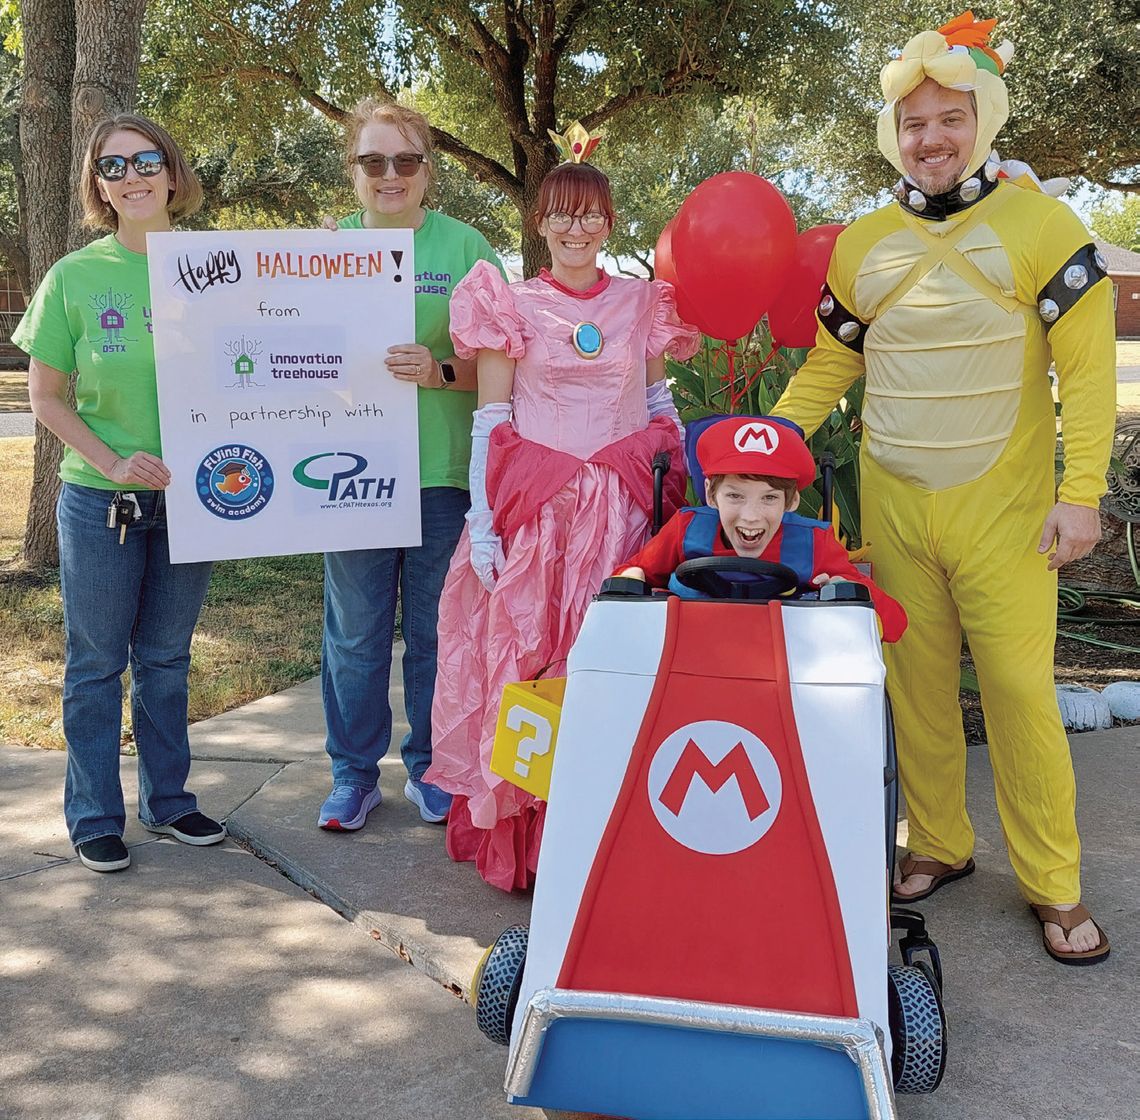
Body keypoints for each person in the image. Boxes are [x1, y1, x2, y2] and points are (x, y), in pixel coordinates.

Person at [772, 12, 1115, 963]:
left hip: (1006, 514)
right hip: (895, 503)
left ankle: (1052, 882)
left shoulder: (1046, 224)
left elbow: (1086, 374)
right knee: (915, 689)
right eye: (914, 122)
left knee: (1016, 694)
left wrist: (1079, 490)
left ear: (983, 119)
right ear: (894, 134)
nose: (931, 137)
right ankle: (939, 843)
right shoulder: (862, 245)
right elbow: (826, 369)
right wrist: (760, 444)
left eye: (949, 118)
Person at [426, 131, 701, 891]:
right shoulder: (508, 302)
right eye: (562, 215)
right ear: (540, 223)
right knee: (527, 665)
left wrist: (686, 492)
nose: (576, 230)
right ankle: (531, 835)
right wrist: (483, 522)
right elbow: (490, 417)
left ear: (610, 225)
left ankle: (603, 826)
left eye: (591, 216)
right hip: (537, 515)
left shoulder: (644, 302)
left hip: (618, 512)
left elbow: (656, 403)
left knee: (605, 664)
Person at [14, 114, 224, 873]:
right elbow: (46, 397)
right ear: (97, 185)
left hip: (201, 497)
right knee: (97, 663)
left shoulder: (220, 267)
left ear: (173, 172)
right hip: (102, 502)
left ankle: (169, 803)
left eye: (146, 160)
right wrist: (114, 460)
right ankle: (95, 815)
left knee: (167, 659)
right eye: (112, 167)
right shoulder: (74, 276)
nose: (131, 176)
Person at [317, 99, 506, 832]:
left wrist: (440, 371)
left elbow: (502, 362)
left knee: (434, 632)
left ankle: (432, 767)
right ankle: (352, 776)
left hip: (441, 473)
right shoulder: (320, 254)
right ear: (354, 171)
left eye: (405, 160)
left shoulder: (467, 251)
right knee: (356, 632)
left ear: (428, 170)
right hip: (346, 473)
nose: (389, 175)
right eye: (372, 161)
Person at [615, 416, 907, 642]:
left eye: (768, 498)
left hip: (785, 676)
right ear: (710, 493)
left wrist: (844, 591)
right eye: (735, 495)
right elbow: (627, 578)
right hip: (691, 665)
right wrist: (632, 578)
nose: (751, 516)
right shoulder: (687, 528)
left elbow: (894, 625)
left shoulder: (813, 544)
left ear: (792, 500)